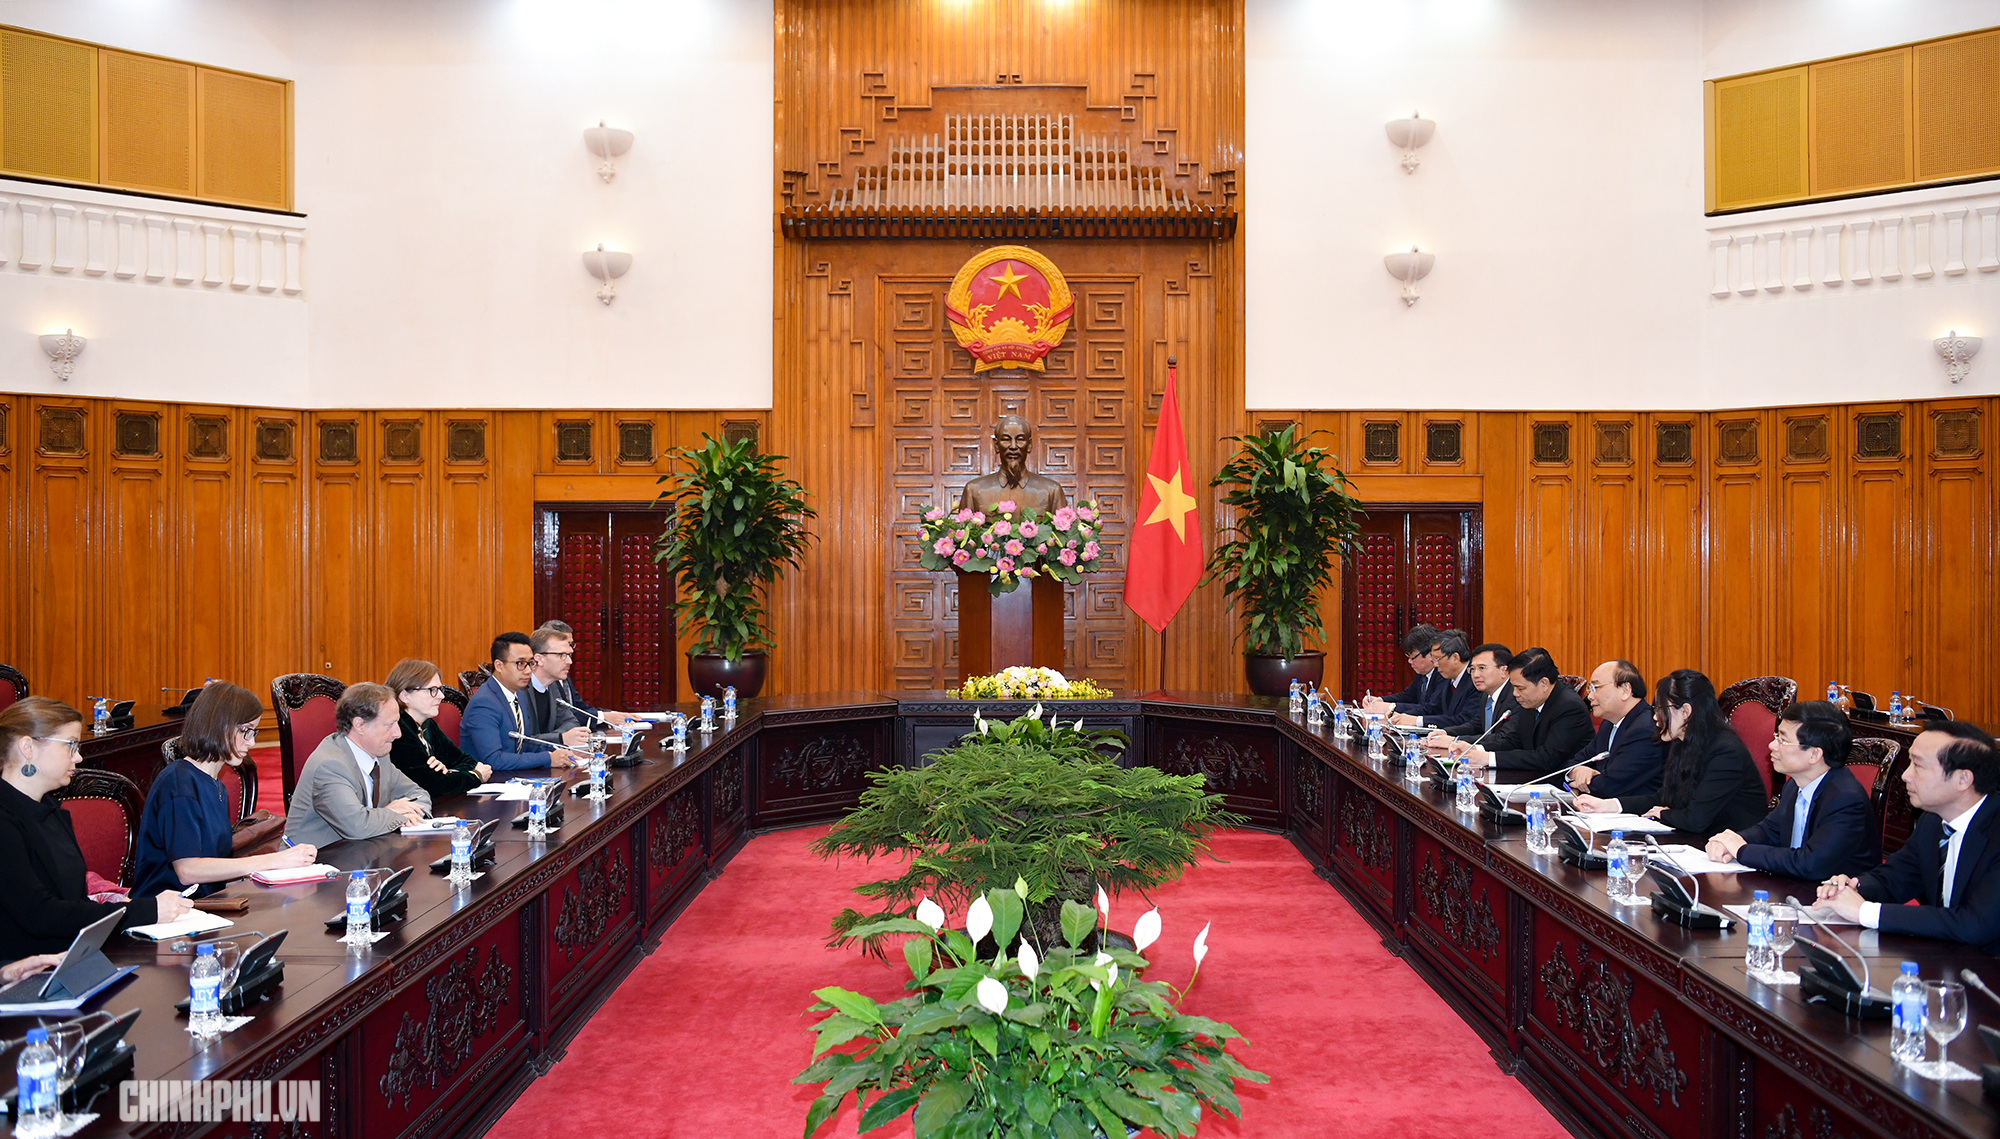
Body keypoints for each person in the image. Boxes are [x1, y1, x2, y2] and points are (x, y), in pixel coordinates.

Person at [0, 697, 193, 958]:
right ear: (28, 747)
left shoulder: (51, 810)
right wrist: (145, 910)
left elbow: (74, 902)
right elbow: (41, 914)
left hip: (72, 956)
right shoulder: (5, 821)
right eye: (70, 745)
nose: (78, 756)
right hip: (27, 968)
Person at [1818, 722, 2000, 953]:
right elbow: (1895, 879)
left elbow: (1975, 925)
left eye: (1918, 766)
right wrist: (1851, 888)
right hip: (1946, 958)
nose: (1905, 775)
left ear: (1963, 779)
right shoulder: (1932, 822)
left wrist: (1865, 912)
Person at [132, 683, 320, 898]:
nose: (252, 742)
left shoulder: (216, 785)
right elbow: (187, 870)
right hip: (164, 908)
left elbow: (212, 864)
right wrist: (274, 860)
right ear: (218, 726)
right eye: (246, 731)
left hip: (203, 902)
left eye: (254, 732)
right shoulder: (178, 783)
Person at [1575, 669, 1766, 839]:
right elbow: (1663, 797)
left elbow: (1695, 819)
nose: (1655, 717)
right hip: (1698, 842)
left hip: (1731, 851)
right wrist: (1608, 806)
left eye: (1660, 709)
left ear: (1685, 711)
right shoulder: (1682, 742)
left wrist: (1662, 814)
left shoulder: (1725, 752)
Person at [1706, 701, 1878, 880]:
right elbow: (1770, 830)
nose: (1772, 745)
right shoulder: (1796, 783)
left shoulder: (1846, 800)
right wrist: (1729, 841)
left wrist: (1742, 850)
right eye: (1776, 736)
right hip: (1796, 885)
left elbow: (1810, 864)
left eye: (1783, 740)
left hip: (1831, 892)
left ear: (1814, 754)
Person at [283, 684, 433, 847]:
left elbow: (419, 794)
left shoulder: (380, 755)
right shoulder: (330, 766)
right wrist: (394, 812)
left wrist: (410, 815)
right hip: (316, 858)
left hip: (363, 851)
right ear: (359, 725)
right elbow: (358, 826)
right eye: (390, 725)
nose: (398, 733)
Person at [1449, 650, 1592, 779]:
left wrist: (1488, 758)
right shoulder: (1531, 700)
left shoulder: (1569, 706)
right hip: (1532, 777)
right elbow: (1513, 740)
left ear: (1544, 683)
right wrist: (1475, 748)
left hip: (1562, 784)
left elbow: (1547, 758)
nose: (1515, 694)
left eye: (1520, 688)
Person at [461, 633, 583, 772]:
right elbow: (493, 760)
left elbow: (525, 743)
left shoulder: (518, 694)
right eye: (520, 664)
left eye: (530, 663)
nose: (528, 671)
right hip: (490, 780)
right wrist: (548, 758)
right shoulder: (484, 703)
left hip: (514, 775)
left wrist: (558, 751)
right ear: (499, 665)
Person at [385, 659, 492, 799]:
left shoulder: (427, 724)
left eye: (439, 689)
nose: (441, 696)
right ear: (404, 695)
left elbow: (466, 761)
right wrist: (476, 776)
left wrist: (447, 773)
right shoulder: (398, 731)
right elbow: (433, 785)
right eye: (432, 690)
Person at [1565, 661, 1665, 799]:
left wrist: (1580, 782)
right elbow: (1572, 763)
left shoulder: (1646, 730)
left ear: (1625, 690)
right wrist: (1577, 771)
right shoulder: (1609, 724)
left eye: (1596, 687)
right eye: (1590, 689)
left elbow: (1609, 787)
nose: (1590, 696)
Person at [526, 625, 632, 740]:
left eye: (569, 655)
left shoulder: (552, 686)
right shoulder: (520, 690)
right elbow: (523, 739)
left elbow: (571, 721)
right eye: (562, 655)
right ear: (539, 659)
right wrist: (561, 738)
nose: (569, 661)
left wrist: (560, 737)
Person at [1426, 644, 1516, 745]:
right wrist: (1445, 732)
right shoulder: (1485, 695)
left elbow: (1504, 738)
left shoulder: (1515, 696)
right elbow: (1476, 726)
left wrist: (1455, 741)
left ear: (1504, 671)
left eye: (1482, 668)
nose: (1475, 675)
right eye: (1472, 669)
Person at [1390, 631, 1478, 729]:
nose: (1435, 665)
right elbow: (1434, 708)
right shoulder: (1447, 678)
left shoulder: (1475, 680)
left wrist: (1417, 721)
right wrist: (1401, 716)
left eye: (1437, 659)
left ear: (1455, 657)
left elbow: (1464, 720)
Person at [1362, 626, 1440, 717]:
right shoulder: (1422, 673)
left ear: (1431, 654)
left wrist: (1391, 707)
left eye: (1413, 657)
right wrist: (1380, 700)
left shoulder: (1443, 674)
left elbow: (1431, 709)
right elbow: (1408, 696)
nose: (1409, 661)